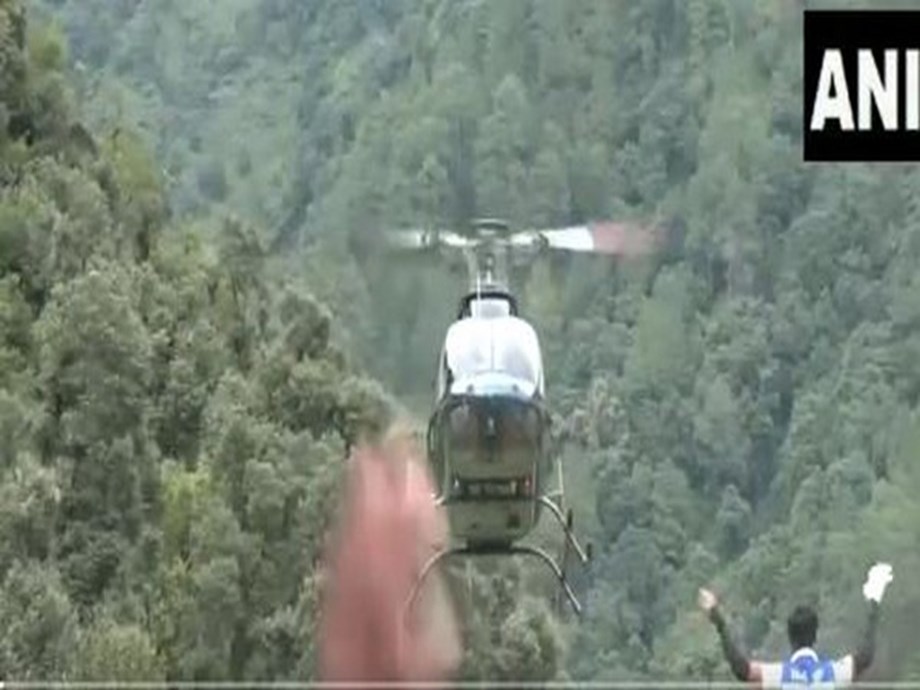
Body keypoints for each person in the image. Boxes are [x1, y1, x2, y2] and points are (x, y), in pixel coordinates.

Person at [699, 563, 893, 687]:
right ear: (815, 635)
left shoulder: (780, 674)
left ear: (790, 637)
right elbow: (865, 656)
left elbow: (742, 669)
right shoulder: (832, 672)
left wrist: (719, 622)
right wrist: (875, 601)